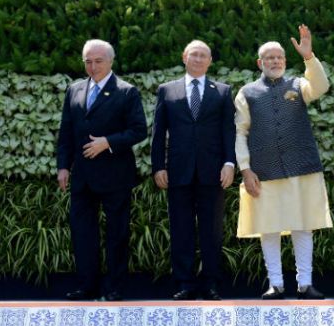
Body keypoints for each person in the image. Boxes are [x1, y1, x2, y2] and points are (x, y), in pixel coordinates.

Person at [235, 24, 332, 299]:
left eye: (279, 57)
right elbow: (240, 132)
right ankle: (275, 284)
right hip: (263, 171)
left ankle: (305, 284)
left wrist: (309, 57)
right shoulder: (247, 92)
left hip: (302, 167)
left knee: (303, 226)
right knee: (269, 228)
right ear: (260, 63)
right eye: (269, 58)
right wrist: (245, 169)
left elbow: (321, 87)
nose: (275, 61)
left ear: (285, 61)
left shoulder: (299, 85)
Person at [57, 39, 147, 302]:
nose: (92, 66)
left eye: (98, 61)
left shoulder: (127, 92)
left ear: (110, 61)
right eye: (88, 61)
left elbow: (138, 130)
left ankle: (114, 288)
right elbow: (66, 132)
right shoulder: (74, 90)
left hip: (115, 175)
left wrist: (107, 142)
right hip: (82, 177)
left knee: (117, 234)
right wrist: (63, 166)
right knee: (82, 233)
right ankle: (87, 286)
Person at [151, 40, 236, 301]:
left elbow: (228, 130)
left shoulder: (222, 91)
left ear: (210, 61)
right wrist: (158, 166)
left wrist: (229, 163)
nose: (198, 59)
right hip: (178, 171)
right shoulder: (167, 90)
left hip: (213, 171)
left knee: (212, 231)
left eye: (203, 56)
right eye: (194, 55)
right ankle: (185, 283)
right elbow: (158, 133)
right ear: (184, 57)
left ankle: (210, 284)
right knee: (181, 229)